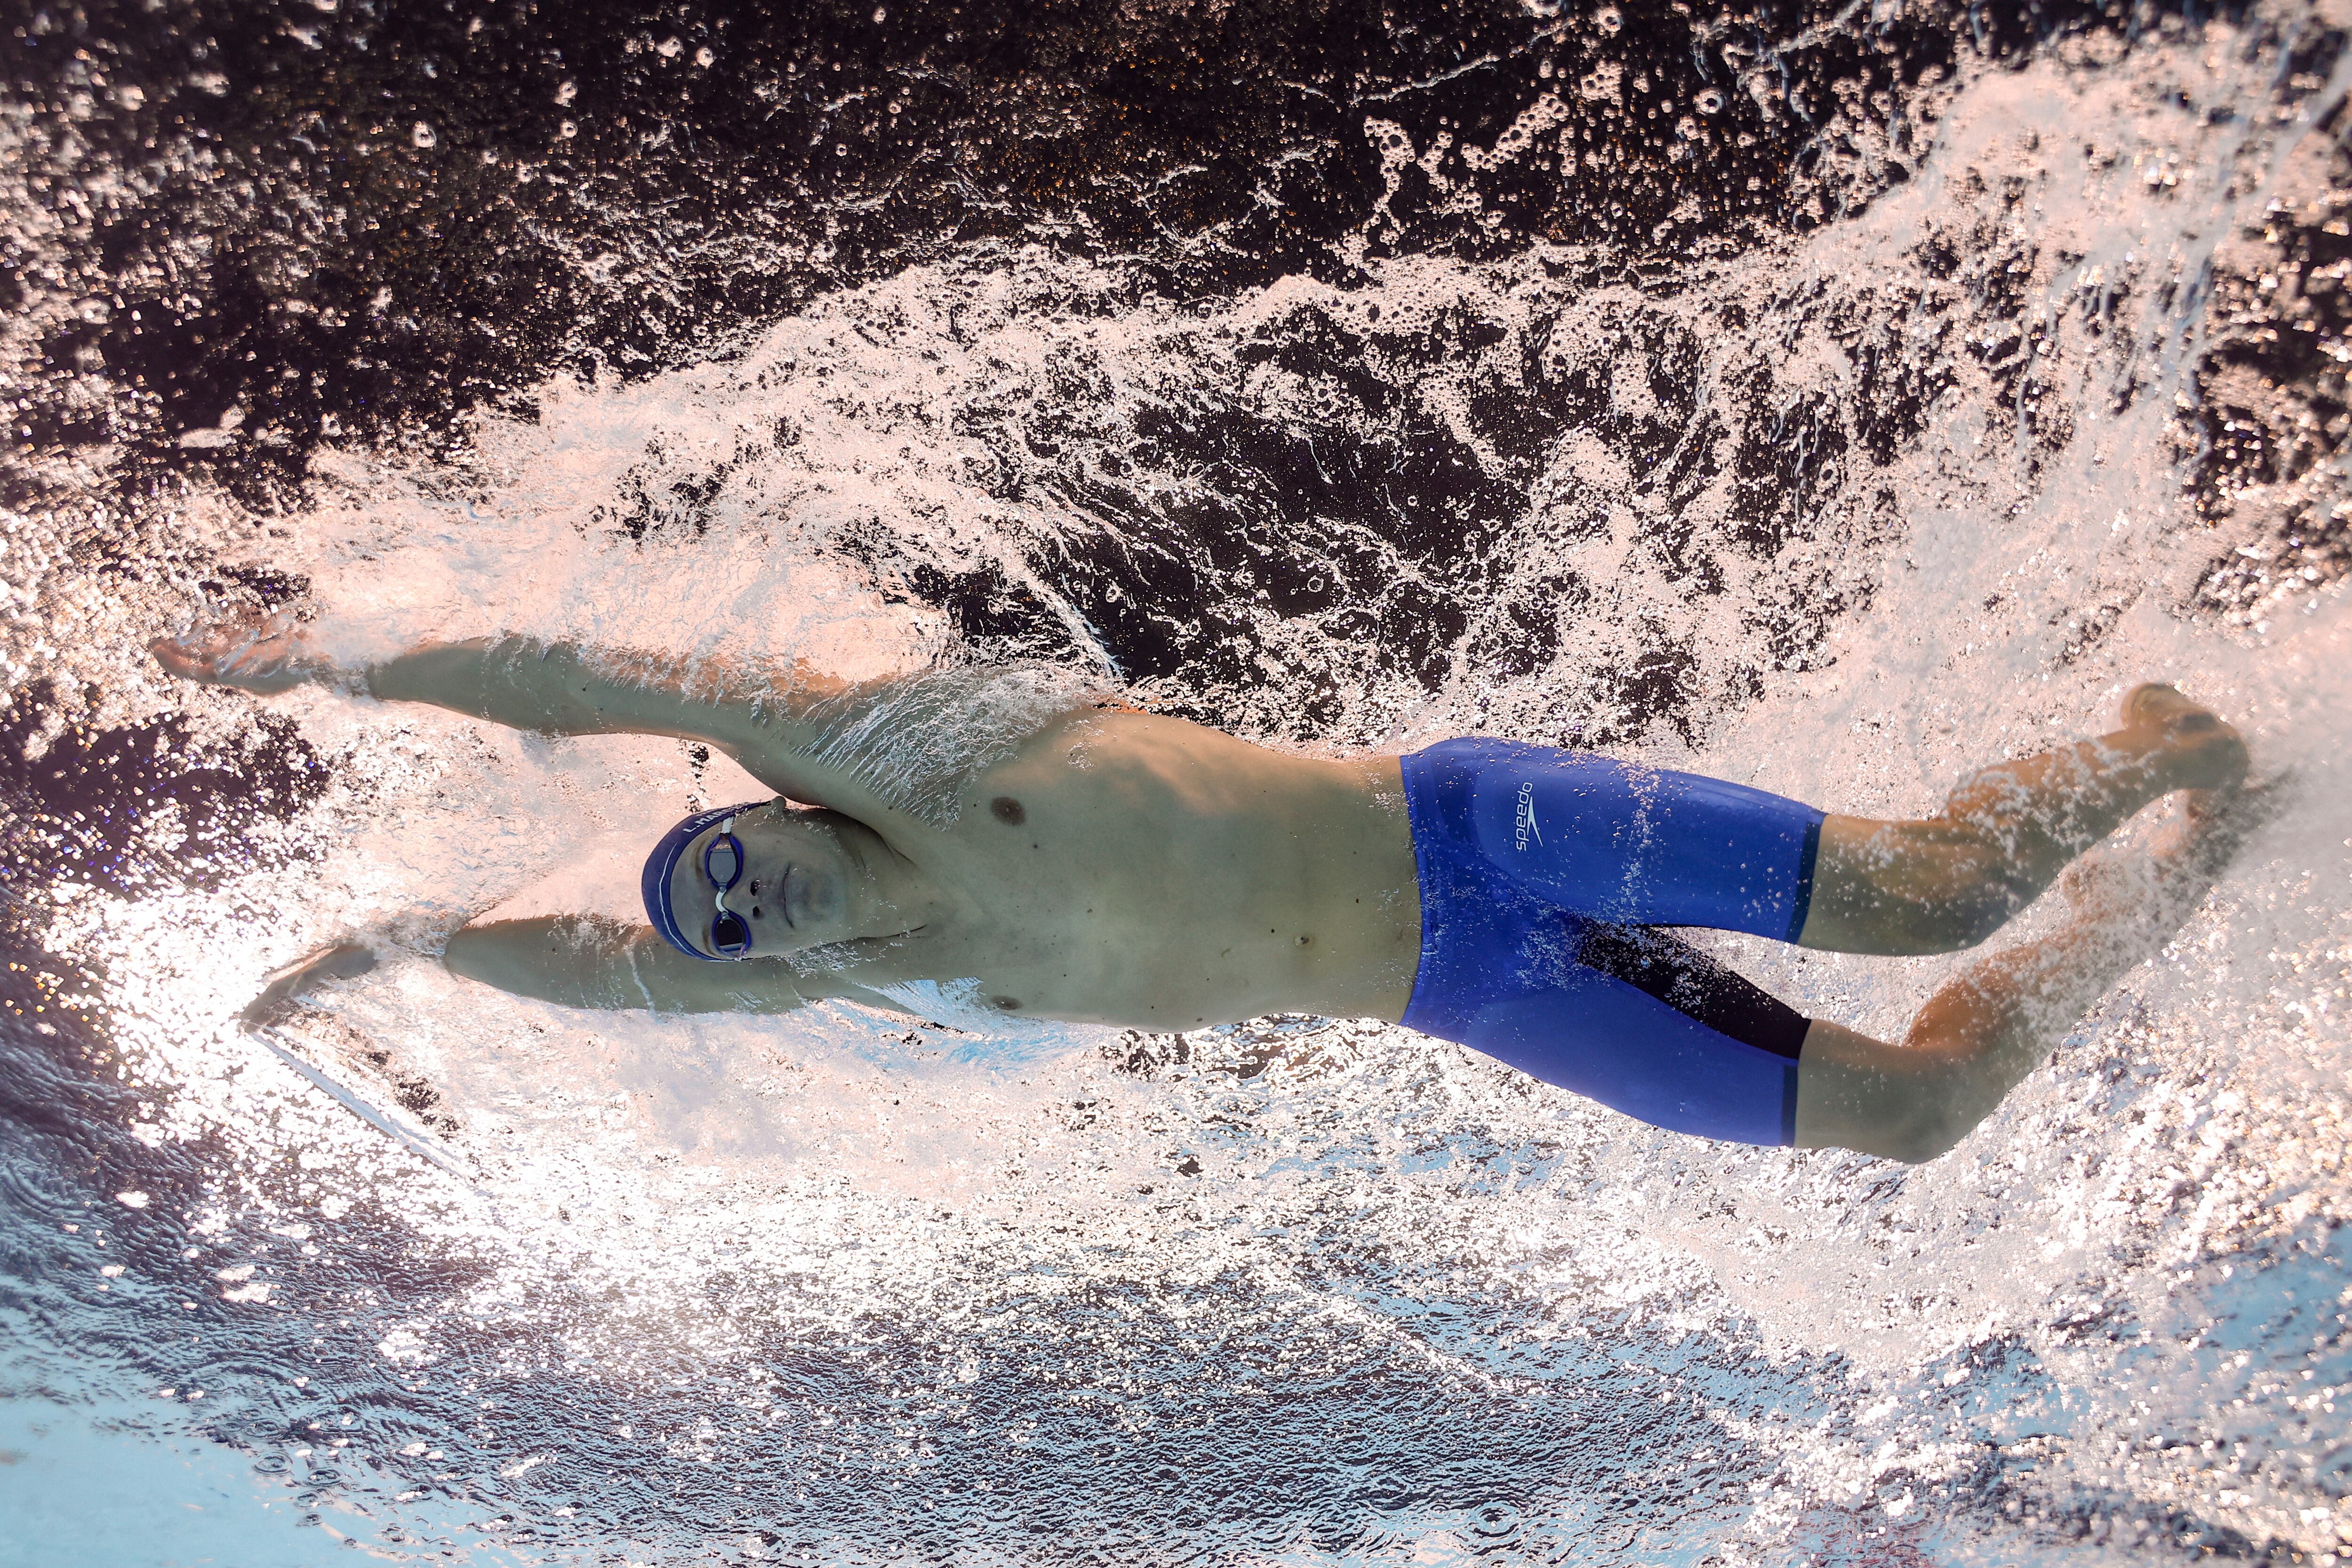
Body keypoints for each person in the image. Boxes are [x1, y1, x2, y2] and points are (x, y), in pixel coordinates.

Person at [154, 617, 2256, 1163]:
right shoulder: (876, 971)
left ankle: (2160, 740)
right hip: (1467, 993)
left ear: (751, 808)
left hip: (1466, 832)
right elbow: (604, 976)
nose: (741, 909)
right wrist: (402, 948)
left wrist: (333, 666)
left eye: (727, 863)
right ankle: (2193, 862)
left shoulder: (897, 752)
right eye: (720, 923)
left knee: (1918, 900)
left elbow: (580, 681)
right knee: (1903, 1111)